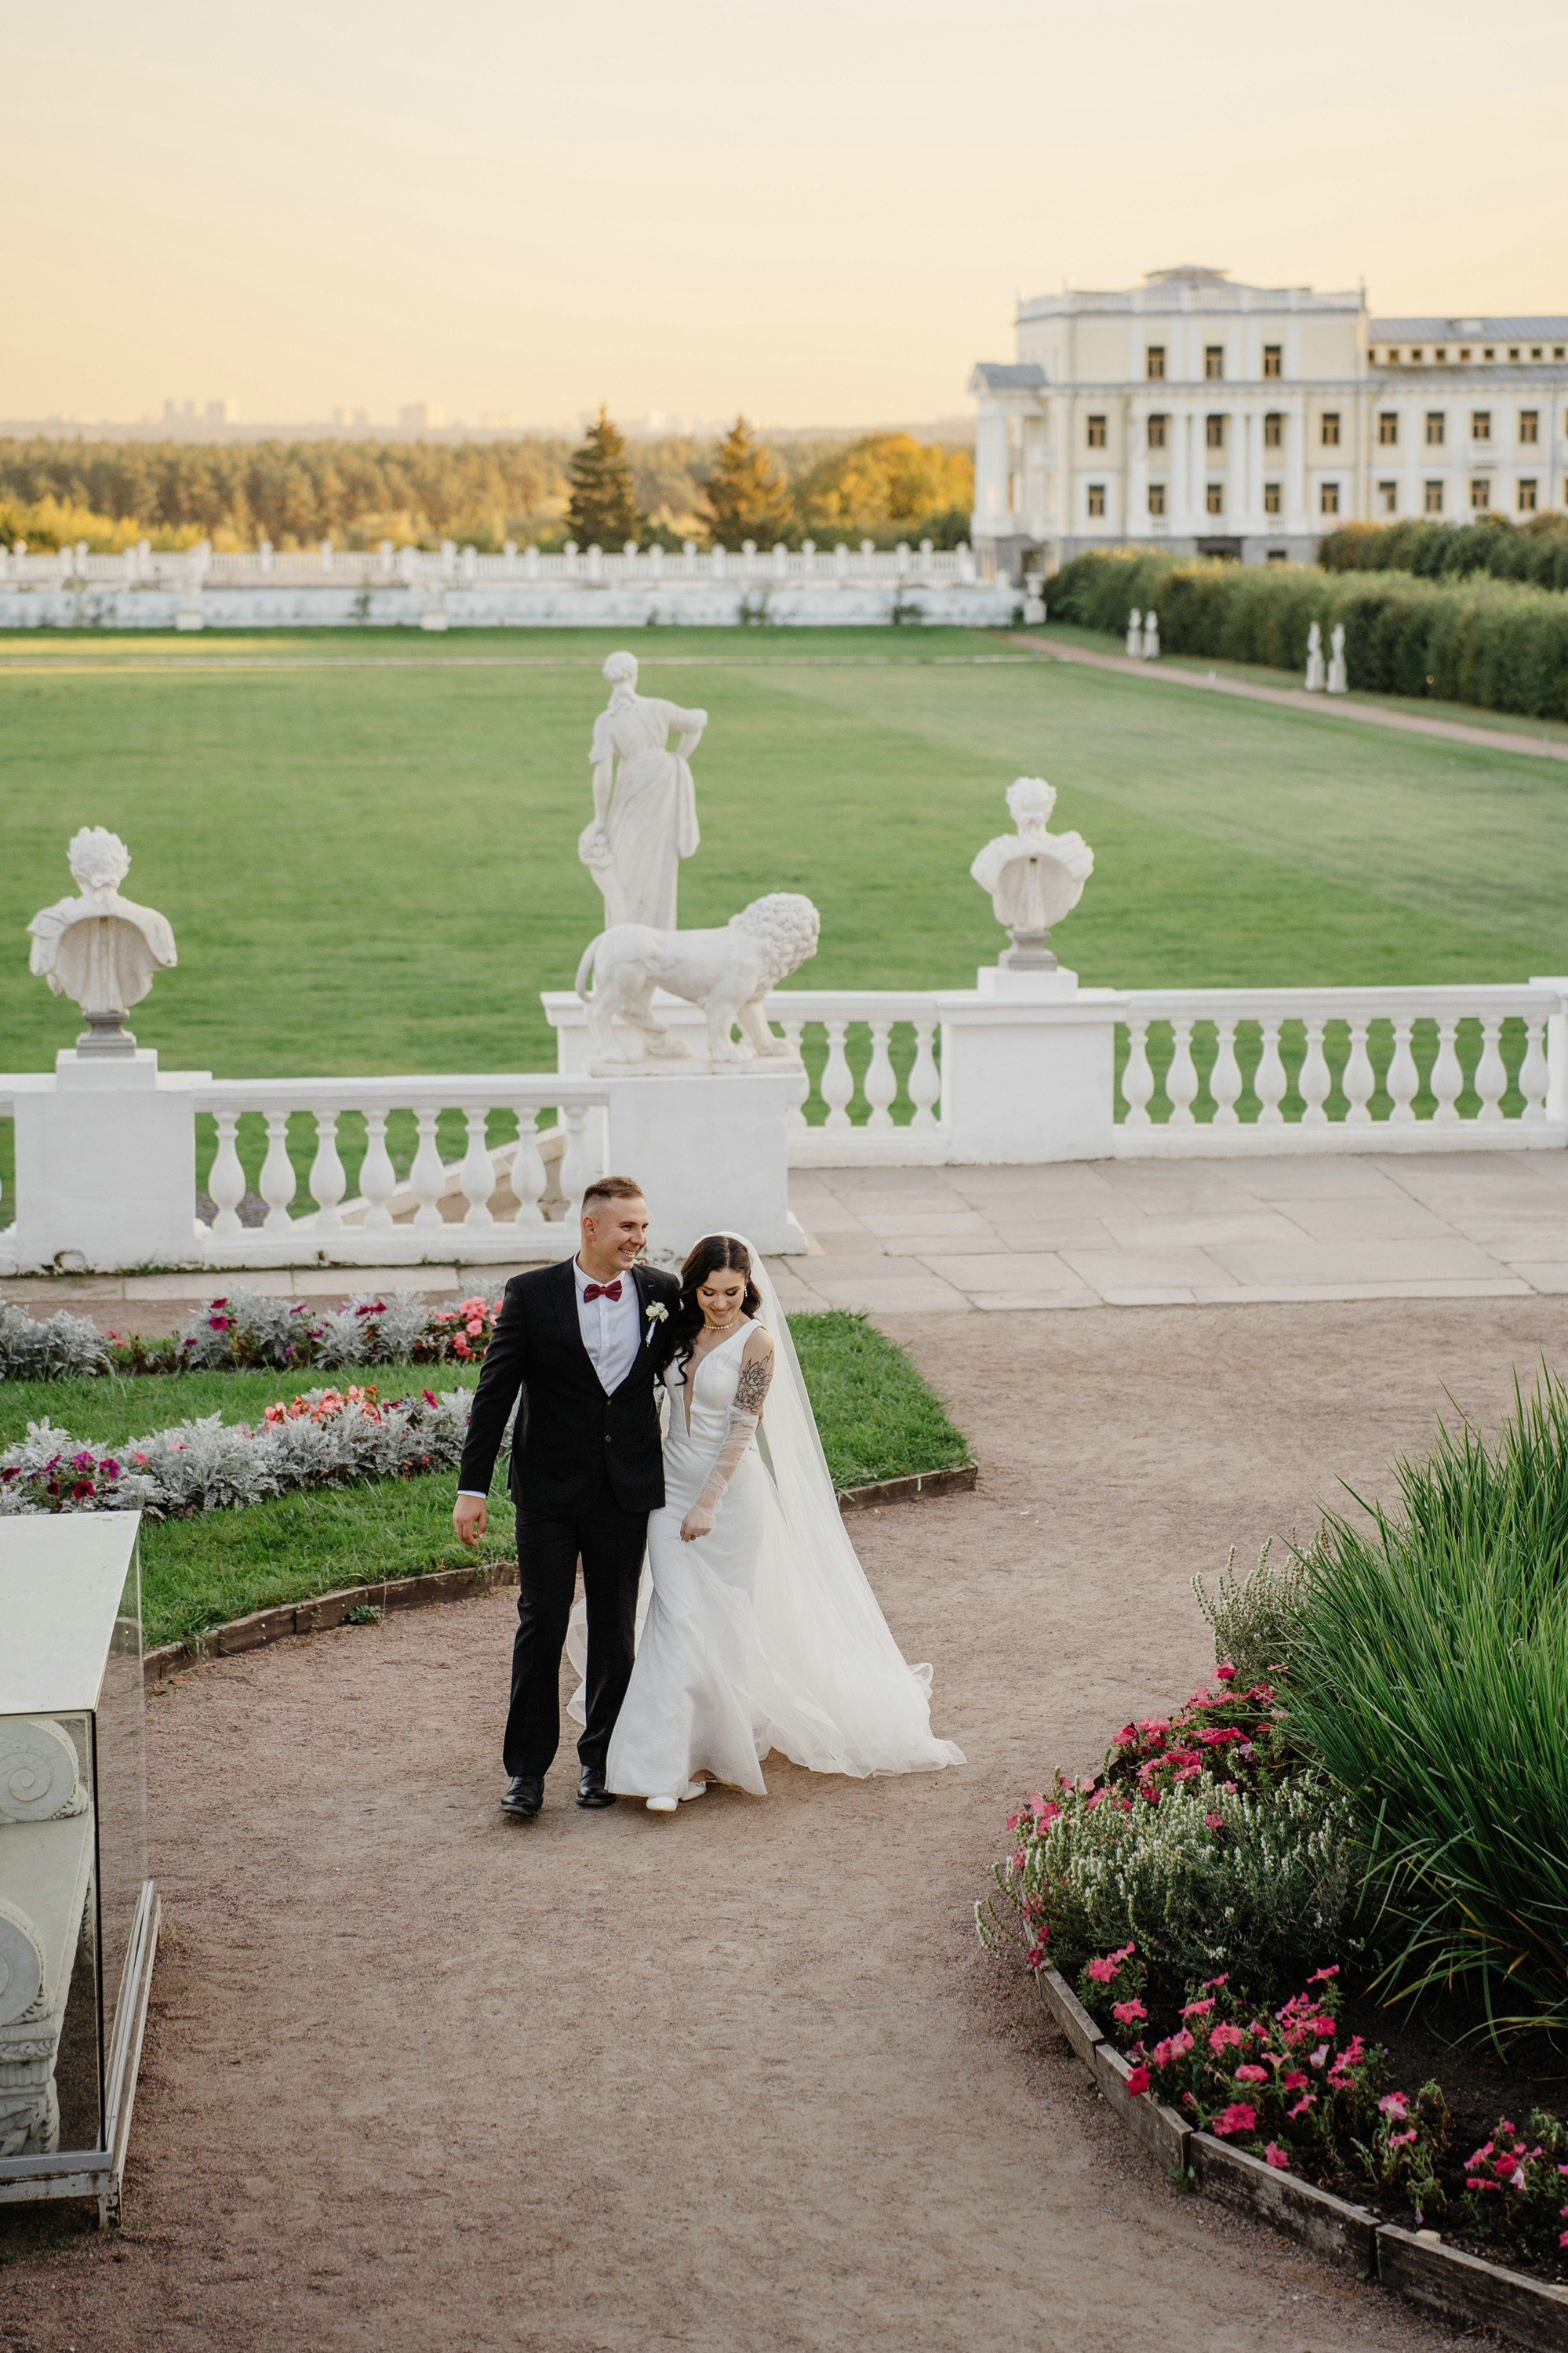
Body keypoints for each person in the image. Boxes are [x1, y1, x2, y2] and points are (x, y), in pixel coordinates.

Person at [598, 1233, 966, 1813]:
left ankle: (705, 1752)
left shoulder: (757, 1342)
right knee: (674, 1617)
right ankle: (664, 1768)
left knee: (721, 1622)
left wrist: (709, 1503)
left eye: (732, 1292)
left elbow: (744, 1428)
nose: (720, 1304)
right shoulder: (674, 1330)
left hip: (730, 1497)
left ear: (749, 1288)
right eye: (709, 1292)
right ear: (692, 1287)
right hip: (667, 1487)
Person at [453, 1176, 681, 1818]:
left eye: (643, 1227)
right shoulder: (532, 1294)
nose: (639, 1239)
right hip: (548, 1490)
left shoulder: (662, 1293)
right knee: (541, 1623)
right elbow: (494, 1393)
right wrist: (473, 1489)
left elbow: (705, 1342)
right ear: (590, 1228)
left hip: (625, 1489)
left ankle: (601, 1761)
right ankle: (525, 1773)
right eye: (627, 1227)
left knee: (614, 1629)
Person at [578, 649, 706, 933]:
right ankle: (657, 934)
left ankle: (629, 934)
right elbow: (697, 720)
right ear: (634, 675)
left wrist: (601, 819)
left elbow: (603, 774)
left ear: (610, 680)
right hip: (662, 779)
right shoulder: (657, 707)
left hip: (632, 783)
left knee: (627, 859)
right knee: (659, 859)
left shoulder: (607, 721)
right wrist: (678, 758)